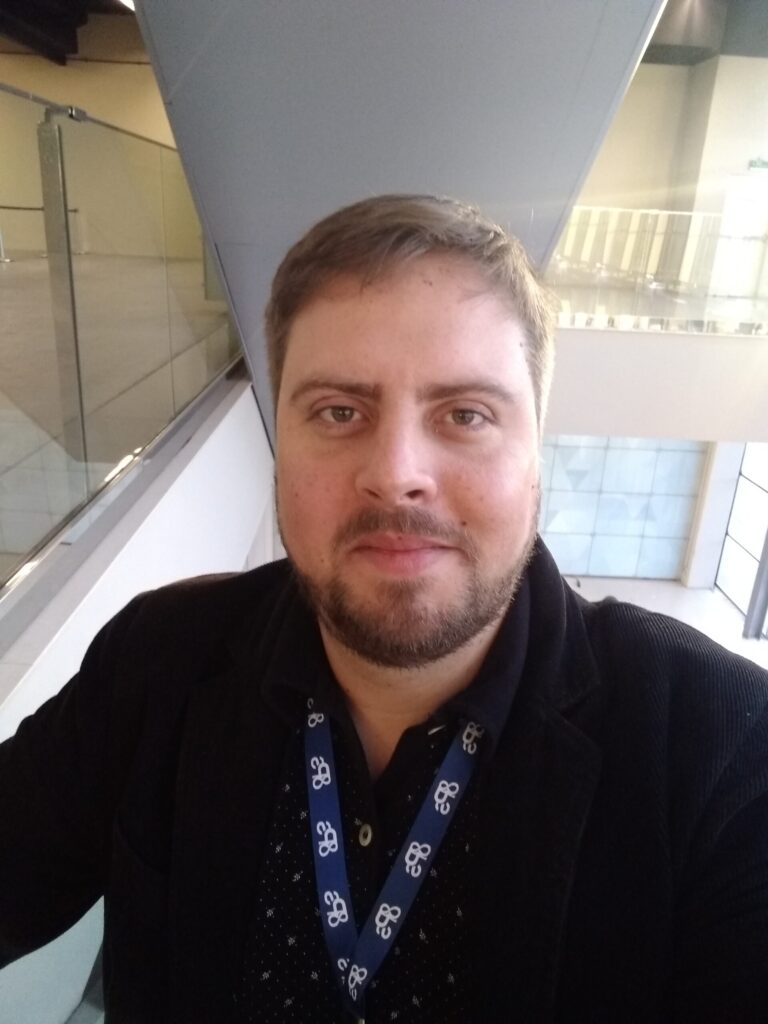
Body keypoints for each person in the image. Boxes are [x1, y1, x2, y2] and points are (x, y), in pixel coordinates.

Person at [1, 194, 768, 1024]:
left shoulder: (718, 746)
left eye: (465, 414)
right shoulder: (160, 660)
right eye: (339, 412)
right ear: (278, 444)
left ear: (536, 460)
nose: (397, 473)